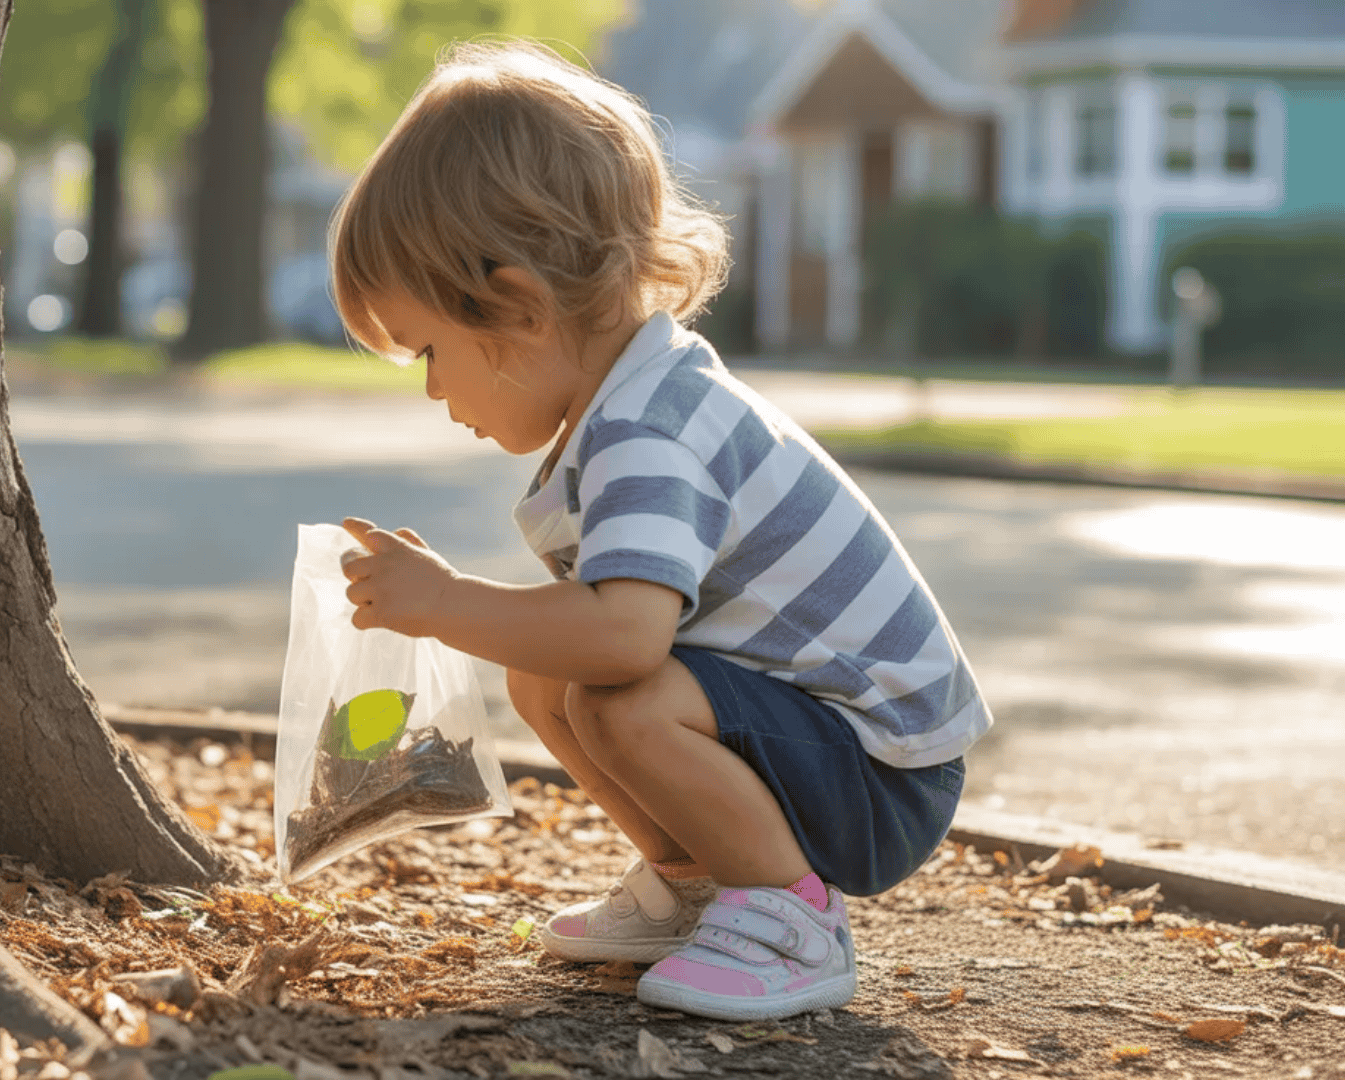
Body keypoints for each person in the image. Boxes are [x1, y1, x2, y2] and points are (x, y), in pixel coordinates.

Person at [327, 41, 991, 1023]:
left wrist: (446, 605)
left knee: (617, 700)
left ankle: (791, 921)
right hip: (840, 740)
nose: (432, 389)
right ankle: (698, 886)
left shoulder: (650, 429)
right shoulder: (638, 399)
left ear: (516, 307)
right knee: (547, 676)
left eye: (430, 351)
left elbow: (626, 637)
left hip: (882, 770)